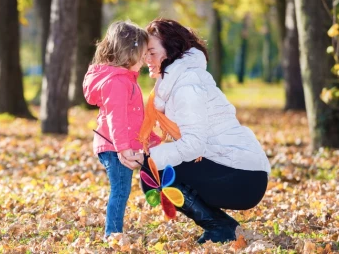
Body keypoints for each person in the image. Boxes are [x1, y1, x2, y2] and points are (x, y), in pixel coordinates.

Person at [133, 18, 271, 244]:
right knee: (152, 171)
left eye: (152, 52)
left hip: (244, 176)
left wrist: (149, 157)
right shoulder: (176, 81)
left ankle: (219, 227)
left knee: (153, 172)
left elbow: (193, 145)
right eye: (145, 53)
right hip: (235, 168)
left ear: (171, 49)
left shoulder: (187, 85)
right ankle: (224, 227)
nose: (146, 58)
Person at [83, 20, 161, 238]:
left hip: (119, 144)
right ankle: (113, 234)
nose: (147, 59)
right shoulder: (117, 82)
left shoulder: (126, 79)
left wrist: (151, 139)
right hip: (114, 147)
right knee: (120, 190)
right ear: (130, 53)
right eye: (144, 53)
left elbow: (135, 117)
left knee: (123, 189)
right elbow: (116, 119)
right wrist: (124, 149)